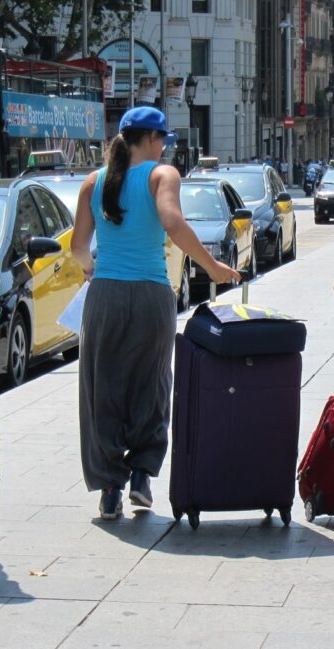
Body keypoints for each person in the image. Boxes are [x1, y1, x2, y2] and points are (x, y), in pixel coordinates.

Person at [71, 106, 239, 521]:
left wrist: (95, 270)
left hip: (105, 294)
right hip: (151, 293)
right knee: (152, 384)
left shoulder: (93, 182)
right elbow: (171, 220)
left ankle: (110, 488)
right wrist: (212, 267)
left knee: (102, 389)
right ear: (151, 139)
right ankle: (142, 476)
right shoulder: (161, 175)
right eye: (163, 139)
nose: (164, 146)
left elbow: (77, 247)